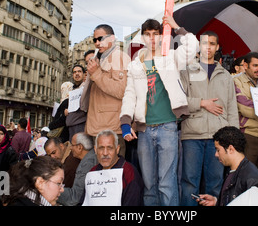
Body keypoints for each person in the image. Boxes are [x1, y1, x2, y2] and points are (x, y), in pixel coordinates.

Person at [120, 17, 199, 206]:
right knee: (149, 184)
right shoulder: (135, 64)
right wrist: (124, 123)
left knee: (167, 183)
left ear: (162, 36)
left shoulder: (170, 56)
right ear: (143, 37)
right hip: (144, 130)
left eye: (156, 34)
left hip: (168, 126)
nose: (152, 38)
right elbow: (130, 95)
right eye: (148, 34)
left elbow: (193, 46)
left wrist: (175, 26)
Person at [179, 31, 239, 206]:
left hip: (218, 137)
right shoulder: (187, 72)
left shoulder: (226, 76)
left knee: (215, 182)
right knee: (190, 182)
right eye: (204, 43)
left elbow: (232, 108)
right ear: (199, 46)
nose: (208, 47)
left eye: (212, 44)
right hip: (192, 135)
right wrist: (202, 103)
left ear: (217, 47)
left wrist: (232, 138)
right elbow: (180, 103)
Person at [81, 24, 131, 156]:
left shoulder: (120, 57)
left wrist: (96, 73)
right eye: (95, 40)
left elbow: (122, 90)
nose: (97, 43)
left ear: (112, 38)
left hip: (111, 128)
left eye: (101, 38)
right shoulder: (98, 58)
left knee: (113, 172)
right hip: (98, 126)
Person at [195, 126, 258, 206]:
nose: (216, 154)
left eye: (218, 150)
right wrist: (216, 201)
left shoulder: (252, 178)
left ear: (231, 149)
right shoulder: (233, 172)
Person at [82, 130, 143, 206]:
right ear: (95, 150)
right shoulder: (92, 172)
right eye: (101, 148)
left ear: (117, 149)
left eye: (109, 148)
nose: (105, 153)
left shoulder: (128, 173)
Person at [57, 132, 98, 206]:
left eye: (72, 145)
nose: (70, 148)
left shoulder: (87, 164)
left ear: (80, 147)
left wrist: (51, 189)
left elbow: (75, 198)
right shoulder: (91, 157)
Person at [0, 125, 18, 205]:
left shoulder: (10, 151)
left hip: (2, 188)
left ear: (5, 136)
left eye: (1, 134)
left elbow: (13, 173)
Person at [65, 65, 87, 137]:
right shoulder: (71, 90)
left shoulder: (86, 88)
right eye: (74, 72)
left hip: (81, 125)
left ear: (84, 74)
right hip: (71, 126)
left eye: (79, 71)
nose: (77, 74)